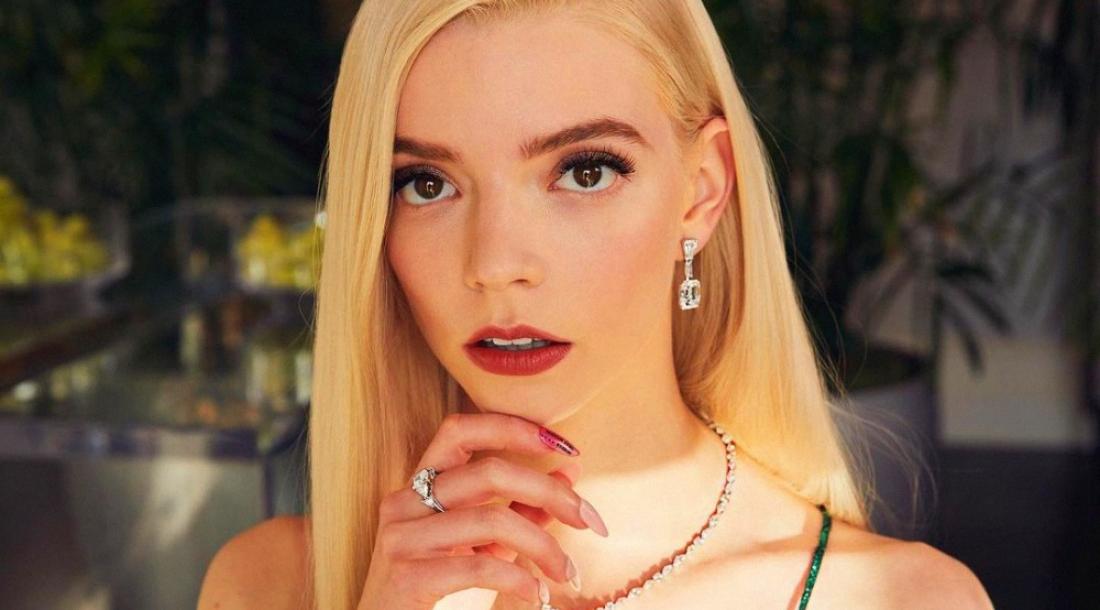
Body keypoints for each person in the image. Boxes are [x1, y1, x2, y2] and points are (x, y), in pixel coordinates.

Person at [198, 1, 996, 609]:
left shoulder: (902, 599)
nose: (496, 265)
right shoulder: (270, 584)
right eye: (427, 184)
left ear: (701, 190)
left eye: (585, 171)